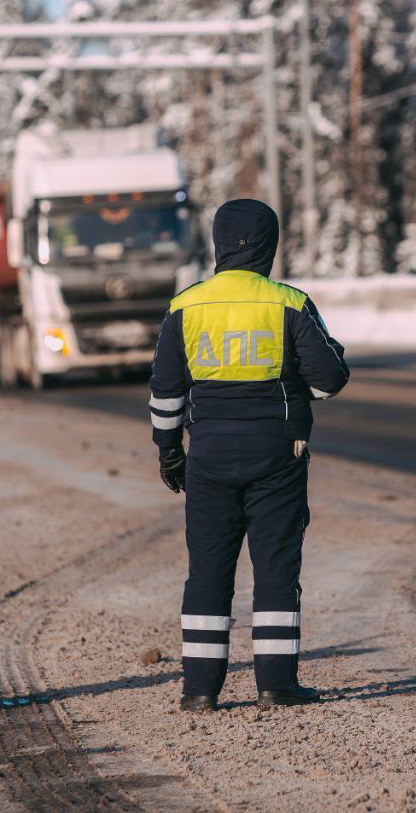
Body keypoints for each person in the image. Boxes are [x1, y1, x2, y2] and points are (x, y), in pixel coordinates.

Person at [148, 198, 350, 712]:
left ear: (218, 242)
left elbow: (166, 394)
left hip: (208, 456)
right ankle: (276, 685)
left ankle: (199, 690)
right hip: (277, 455)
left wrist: (170, 453)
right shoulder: (290, 303)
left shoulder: (184, 307)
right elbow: (329, 382)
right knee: (276, 566)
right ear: (269, 244)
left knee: (208, 571)